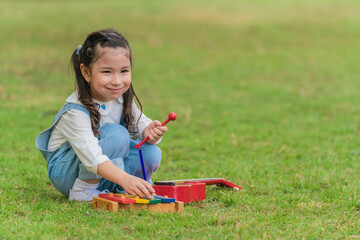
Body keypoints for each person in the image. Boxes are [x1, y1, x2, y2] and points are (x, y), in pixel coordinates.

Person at [36, 29, 167, 201]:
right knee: (117, 135)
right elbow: (91, 156)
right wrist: (126, 178)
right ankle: (83, 191)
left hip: (103, 169)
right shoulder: (75, 111)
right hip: (68, 174)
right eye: (107, 72)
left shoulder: (120, 98)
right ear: (87, 73)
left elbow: (140, 122)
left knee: (151, 153)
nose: (117, 81)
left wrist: (148, 131)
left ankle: (122, 187)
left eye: (124, 71)